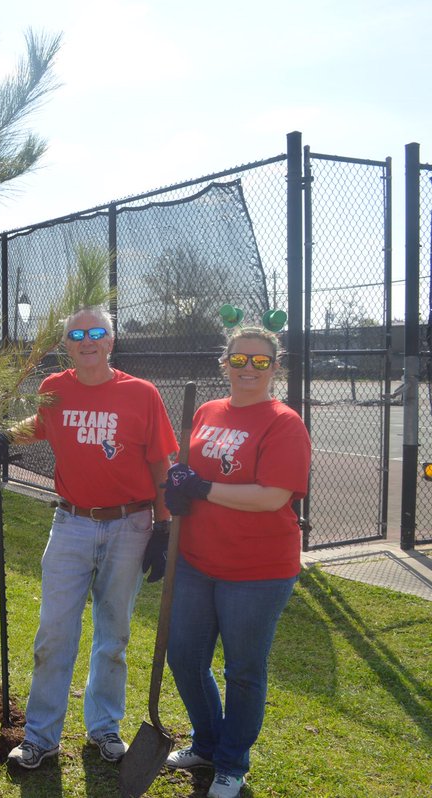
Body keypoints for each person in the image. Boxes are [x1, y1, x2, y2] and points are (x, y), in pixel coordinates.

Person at [0, 306, 178, 769]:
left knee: (115, 633)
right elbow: (41, 424)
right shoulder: (55, 388)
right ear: (66, 344)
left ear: (111, 340)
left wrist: (163, 527)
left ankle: (105, 728)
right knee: (54, 632)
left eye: (97, 333)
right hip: (71, 523)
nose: (87, 341)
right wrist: (2, 436)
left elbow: (160, 464)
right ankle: (40, 738)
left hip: (131, 524)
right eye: (77, 334)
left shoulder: (141, 394)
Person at [162, 326, 311, 798]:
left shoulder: (284, 422)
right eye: (240, 359)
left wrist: (202, 488)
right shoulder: (207, 411)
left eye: (261, 362)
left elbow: (272, 497)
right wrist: (175, 501)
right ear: (224, 362)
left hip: (258, 571)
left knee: (243, 671)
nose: (249, 368)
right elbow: (188, 473)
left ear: (275, 367)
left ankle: (231, 763)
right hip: (195, 559)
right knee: (184, 657)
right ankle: (206, 744)